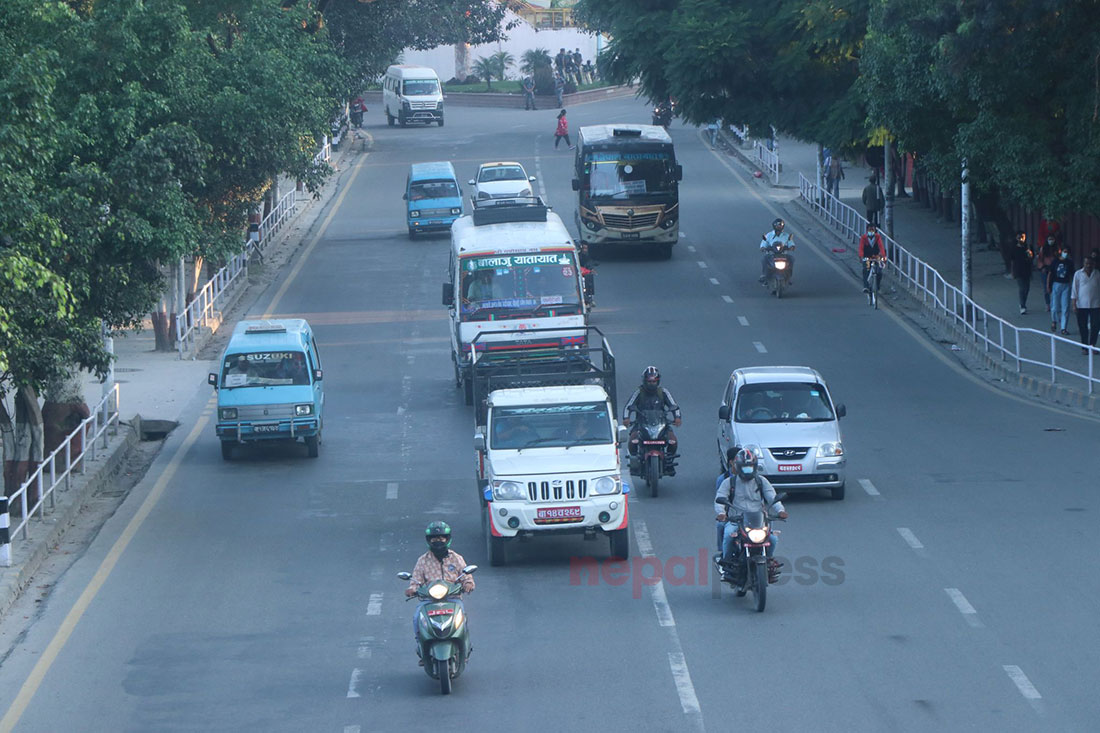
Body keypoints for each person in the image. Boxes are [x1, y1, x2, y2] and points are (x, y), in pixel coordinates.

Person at [714, 448, 787, 582]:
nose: (747, 471)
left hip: (759, 520)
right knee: (728, 535)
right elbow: (720, 499)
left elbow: (772, 497)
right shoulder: (728, 482)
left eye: (750, 468)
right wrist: (721, 513)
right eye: (744, 468)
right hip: (736, 520)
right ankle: (726, 565)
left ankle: (767, 564)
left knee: (773, 539)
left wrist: (780, 510)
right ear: (737, 467)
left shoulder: (762, 481)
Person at [405, 522, 474, 664]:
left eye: (442, 538)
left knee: (462, 621)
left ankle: (464, 649)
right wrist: (412, 589)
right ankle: (422, 648)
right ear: (428, 540)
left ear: (448, 539)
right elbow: (416, 580)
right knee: (417, 618)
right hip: (428, 601)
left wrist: (468, 584)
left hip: (452, 598)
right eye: (434, 538)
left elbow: (466, 575)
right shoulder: (422, 561)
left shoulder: (456, 558)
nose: (438, 541)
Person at [623, 366, 681, 475]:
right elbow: (628, 406)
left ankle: (669, 464)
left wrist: (677, 417)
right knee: (632, 441)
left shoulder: (663, 392)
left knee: (673, 442)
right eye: (649, 381)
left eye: (654, 381)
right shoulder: (638, 392)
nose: (651, 383)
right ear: (644, 381)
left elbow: (674, 405)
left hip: (661, 424)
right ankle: (635, 463)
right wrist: (626, 418)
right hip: (641, 424)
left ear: (658, 381)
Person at [1071, 255, 1100, 354]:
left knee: (1095, 326)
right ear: (1083, 264)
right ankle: (1084, 347)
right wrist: (1074, 304)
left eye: (1090, 264)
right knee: (1082, 327)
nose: (1088, 265)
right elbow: (1074, 290)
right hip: (1081, 305)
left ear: (1093, 264)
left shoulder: (1097, 274)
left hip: (1096, 304)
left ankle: (1092, 346)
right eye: (1086, 263)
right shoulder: (1078, 274)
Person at [1048, 245, 1075, 335]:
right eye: (1064, 251)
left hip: (1066, 285)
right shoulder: (1055, 261)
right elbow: (1050, 273)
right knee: (1055, 306)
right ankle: (1054, 321)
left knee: (1065, 306)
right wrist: (1048, 285)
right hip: (1056, 284)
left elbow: (1072, 275)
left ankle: (1063, 328)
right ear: (1061, 251)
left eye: (1067, 252)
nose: (1065, 253)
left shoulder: (1070, 262)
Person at [759, 217, 795, 283]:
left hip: (783, 255)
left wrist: (791, 247)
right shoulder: (769, 235)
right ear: (774, 225)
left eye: (781, 225)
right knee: (764, 259)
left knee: (792, 259)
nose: (779, 226)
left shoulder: (787, 235)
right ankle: (764, 275)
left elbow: (791, 243)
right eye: (778, 225)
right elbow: (764, 243)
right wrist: (763, 248)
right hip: (771, 255)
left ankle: (788, 276)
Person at [1010, 231, 1034, 315]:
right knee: (1022, 288)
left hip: (1027, 270)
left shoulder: (1027, 247)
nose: (1021, 239)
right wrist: (1012, 272)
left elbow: (1032, 258)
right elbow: (1012, 260)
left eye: (1023, 237)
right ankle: (1023, 306)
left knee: (1027, 288)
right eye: (1019, 237)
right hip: (1018, 270)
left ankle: (1023, 302)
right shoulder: (1014, 248)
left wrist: (1030, 254)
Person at [858, 223, 886, 293]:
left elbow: (881, 247)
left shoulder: (878, 237)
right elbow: (860, 248)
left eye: (872, 230)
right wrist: (861, 256)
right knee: (866, 270)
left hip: (876, 257)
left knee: (879, 272)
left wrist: (883, 257)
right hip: (867, 257)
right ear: (867, 230)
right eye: (869, 230)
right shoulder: (863, 238)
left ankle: (878, 285)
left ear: (875, 230)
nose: (871, 231)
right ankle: (866, 286)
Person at [1036, 235, 1057, 312]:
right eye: (1049, 239)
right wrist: (1042, 267)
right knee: (1046, 287)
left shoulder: (1057, 249)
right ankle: (1048, 304)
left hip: (1055, 270)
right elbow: (1040, 259)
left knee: (1055, 287)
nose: (1051, 241)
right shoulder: (1043, 249)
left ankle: (1054, 303)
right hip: (1046, 269)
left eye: (1052, 239)